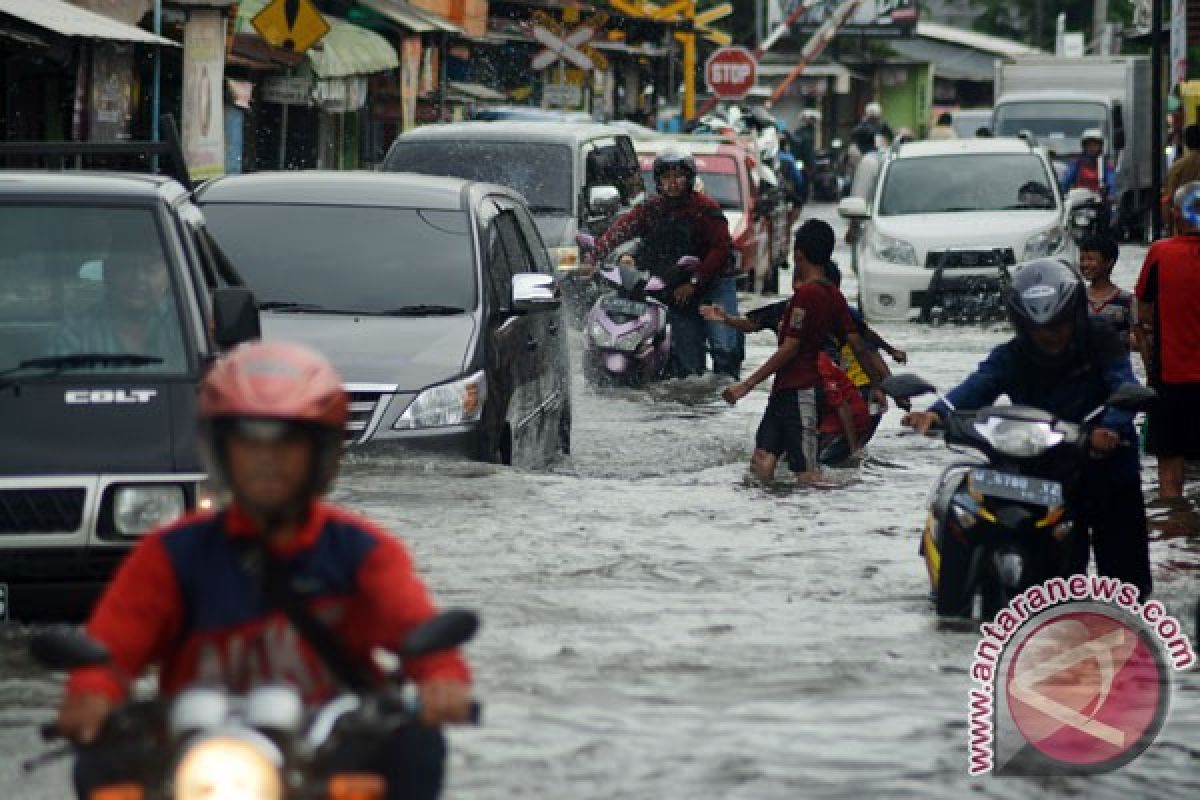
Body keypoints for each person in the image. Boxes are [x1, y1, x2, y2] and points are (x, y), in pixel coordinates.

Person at [57, 341, 473, 799]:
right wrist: (91, 692)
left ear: (323, 455)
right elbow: (112, 647)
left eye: (287, 444)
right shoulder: (171, 553)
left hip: (325, 751)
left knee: (417, 745)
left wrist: (442, 682)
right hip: (194, 754)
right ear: (220, 449)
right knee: (98, 758)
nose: (268, 461)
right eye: (249, 443)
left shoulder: (363, 552)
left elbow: (418, 632)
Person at [903, 259, 1153, 598]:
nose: (1049, 335)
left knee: (1128, 585)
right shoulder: (1011, 355)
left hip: (1107, 467)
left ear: (1074, 315)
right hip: (1047, 472)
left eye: (1059, 325)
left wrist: (1108, 430)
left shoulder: (1100, 338)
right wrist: (935, 414)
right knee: (1057, 578)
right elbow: (977, 386)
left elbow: (1122, 383)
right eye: (1039, 328)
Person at [701, 220, 885, 484]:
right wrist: (879, 383)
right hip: (783, 393)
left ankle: (824, 519)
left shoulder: (805, 297)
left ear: (798, 254)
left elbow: (790, 348)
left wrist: (747, 385)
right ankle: (770, 521)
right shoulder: (834, 296)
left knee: (808, 474)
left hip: (803, 392)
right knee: (761, 462)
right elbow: (859, 344)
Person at [592, 146, 739, 378]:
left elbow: (720, 250)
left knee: (725, 347)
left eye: (678, 177)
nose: (673, 183)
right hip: (676, 289)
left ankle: (728, 388)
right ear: (658, 181)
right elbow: (621, 231)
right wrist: (594, 255)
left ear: (689, 178)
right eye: (666, 177)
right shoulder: (651, 209)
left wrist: (694, 281)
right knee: (687, 361)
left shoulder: (706, 209)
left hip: (713, 284)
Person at [1135, 181, 1200, 501]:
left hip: (1170, 379)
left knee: (1170, 480)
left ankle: (1176, 535)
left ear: (1176, 214)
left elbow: (1143, 312)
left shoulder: (1161, 253)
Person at [51, 248, 187, 370]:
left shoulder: (185, 324)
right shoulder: (75, 334)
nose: (139, 278)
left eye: (150, 269)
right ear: (108, 274)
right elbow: (54, 391)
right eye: (127, 267)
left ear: (169, 277)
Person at [1078, 233, 1143, 359]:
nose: (1085, 264)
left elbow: (1140, 339)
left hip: (1116, 371)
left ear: (1109, 263)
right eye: (1082, 259)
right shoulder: (1076, 298)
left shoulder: (1127, 300)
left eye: (1091, 259)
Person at [1162, 124, 1200, 233]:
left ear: (1186, 143)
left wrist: (1169, 225)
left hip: (1184, 229)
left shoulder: (1177, 166)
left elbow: (1169, 198)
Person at [1059, 128, 1116, 198]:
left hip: (1099, 201)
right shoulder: (1076, 162)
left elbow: (1111, 183)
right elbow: (1066, 181)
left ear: (1100, 147)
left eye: (1095, 145)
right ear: (1084, 147)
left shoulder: (1106, 165)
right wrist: (1062, 194)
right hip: (1078, 201)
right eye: (1089, 145)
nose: (1092, 148)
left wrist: (1111, 195)